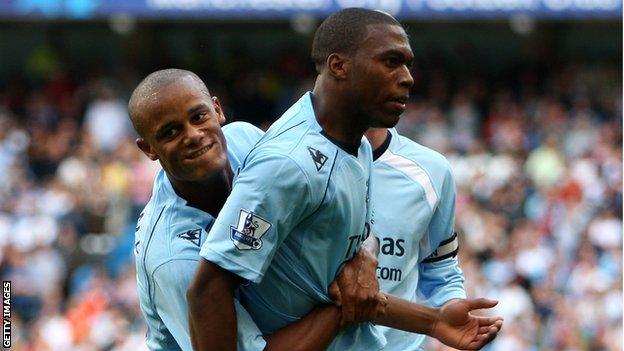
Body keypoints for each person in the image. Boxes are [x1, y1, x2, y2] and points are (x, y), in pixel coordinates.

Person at [188, 8, 502, 351]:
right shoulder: (287, 164)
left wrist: (370, 258)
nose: (408, 77)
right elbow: (209, 288)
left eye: (408, 64)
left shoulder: (356, 148)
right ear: (338, 66)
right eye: (391, 62)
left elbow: (350, 289)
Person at [130, 69, 357, 351]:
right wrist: (345, 305)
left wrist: (362, 255)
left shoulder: (246, 140)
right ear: (149, 148)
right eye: (170, 132)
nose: (193, 135)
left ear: (217, 109)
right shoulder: (173, 259)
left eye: (198, 116)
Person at [366, 126, 466, 350]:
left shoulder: (432, 171)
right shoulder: (297, 155)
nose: (404, 88)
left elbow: (441, 267)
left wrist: (451, 304)